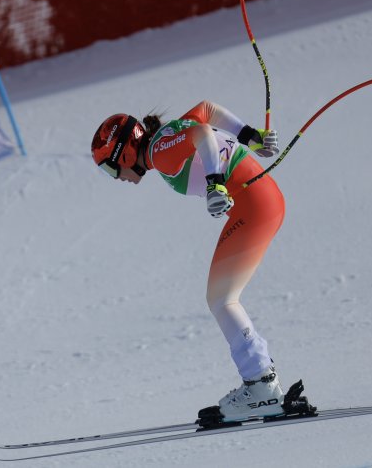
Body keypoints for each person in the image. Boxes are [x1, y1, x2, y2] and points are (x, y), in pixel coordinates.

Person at [90, 101, 298, 424]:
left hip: (254, 207)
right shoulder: (167, 138)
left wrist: (216, 182)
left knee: (221, 299)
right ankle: (262, 384)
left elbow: (203, 133)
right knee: (221, 298)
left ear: (126, 153)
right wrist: (249, 135)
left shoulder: (159, 150)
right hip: (263, 201)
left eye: (110, 167)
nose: (116, 177)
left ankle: (261, 388)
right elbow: (206, 110)